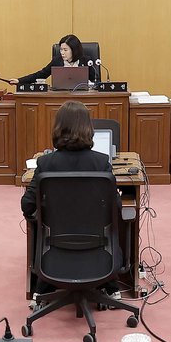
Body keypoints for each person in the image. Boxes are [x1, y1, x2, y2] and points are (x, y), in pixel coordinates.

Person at [21, 101, 119, 297]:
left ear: (58, 128)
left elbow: (27, 205)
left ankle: (42, 285)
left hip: (55, 245)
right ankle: (111, 285)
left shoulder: (45, 163)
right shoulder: (101, 162)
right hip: (96, 244)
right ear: (89, 129)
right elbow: (115, 207)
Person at [11, 34, 98, 85]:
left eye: (65, 50)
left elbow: (96, 81)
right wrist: (19, 80)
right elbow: (41, 74)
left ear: (74, 50)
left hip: (82, 97)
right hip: (61, 96)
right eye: (61, 49)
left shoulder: (86, 61)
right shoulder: (57, 61)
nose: (62, 53)